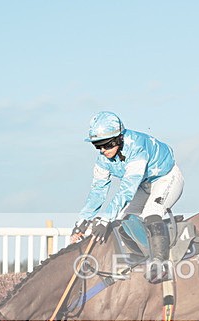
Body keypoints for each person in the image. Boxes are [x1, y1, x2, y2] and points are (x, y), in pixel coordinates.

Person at [72, 111, 184, 283]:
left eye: (107, 145)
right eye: (97, 146)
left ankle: (161, 265)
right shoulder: (103, 160)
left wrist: (104, 219)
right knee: (124, 219)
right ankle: (146, 256)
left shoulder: (137, 148)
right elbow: (98, 191)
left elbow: (126, 190)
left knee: (151, 213)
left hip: (166, 178)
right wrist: (83, 220)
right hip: (144, 185)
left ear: (118, 138)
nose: (103, 150)